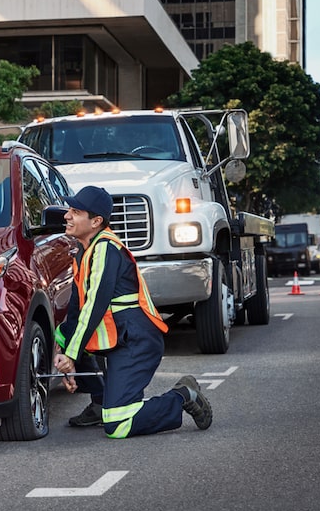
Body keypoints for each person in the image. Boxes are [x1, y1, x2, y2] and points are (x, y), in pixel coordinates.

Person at [54, 186, 213, 438]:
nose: (67, 216)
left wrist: (73, 355)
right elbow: (76, 310)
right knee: (64, 332)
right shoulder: (84, 252)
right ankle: (102, 402)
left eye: (75, 211)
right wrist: (65, 355)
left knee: (118, 425)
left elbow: (95, 304)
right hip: (120, 339)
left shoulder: (106, 248)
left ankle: (183, 395)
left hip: (135, 341)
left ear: (96, 221)